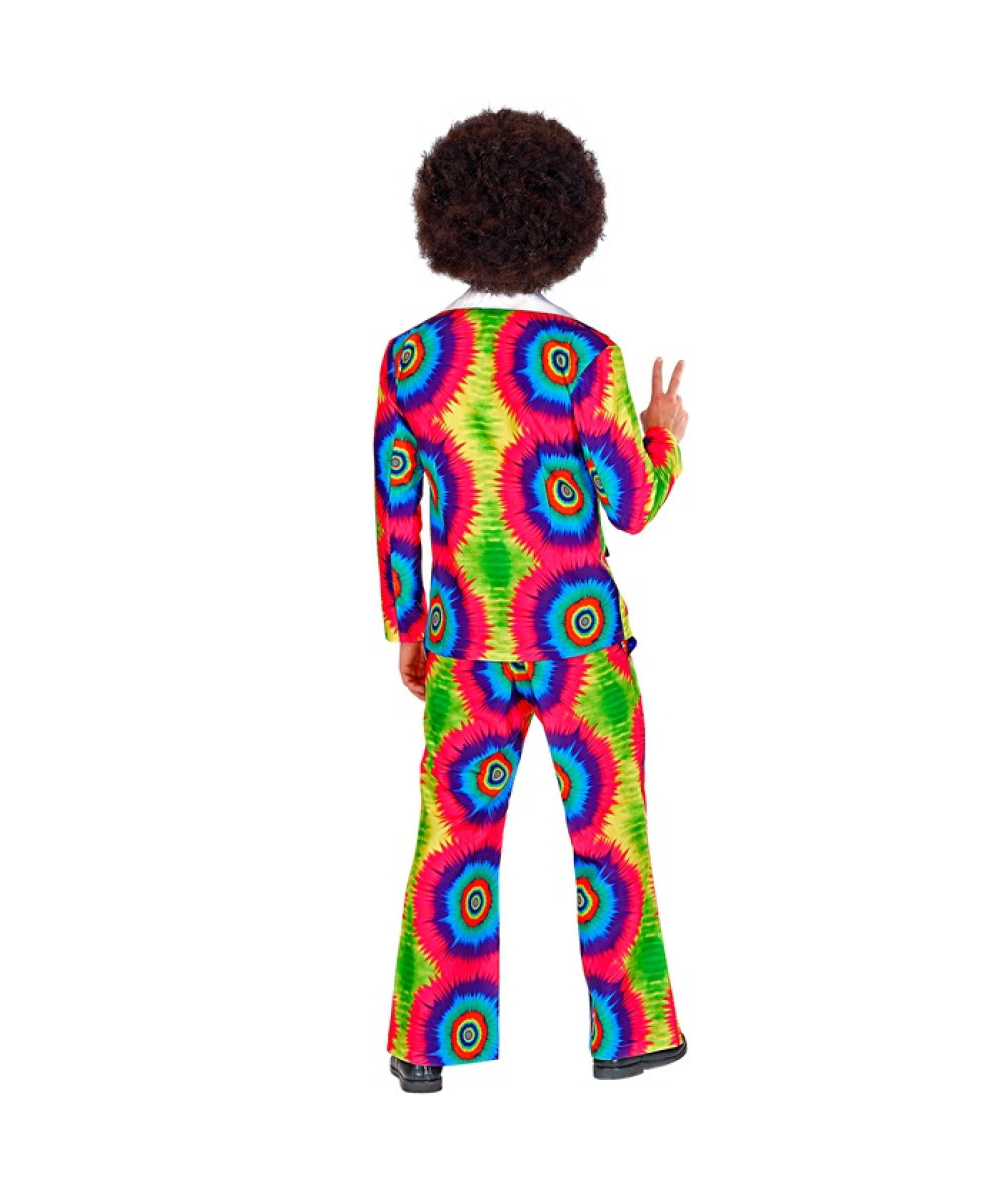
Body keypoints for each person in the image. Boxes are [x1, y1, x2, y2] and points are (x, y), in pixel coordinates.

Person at [374, 108, 692, 1093]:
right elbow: (631, 503)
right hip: (579, 641)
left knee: (450, 839)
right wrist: (666, 433)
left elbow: (396, 508)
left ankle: (425, 1045)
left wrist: (409, 625)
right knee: (610, 836)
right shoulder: (583, 357)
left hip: (464, 643)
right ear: (567, 222)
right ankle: (630, 1035)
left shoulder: (411, 359)